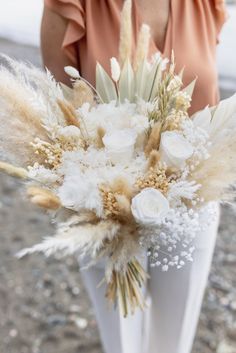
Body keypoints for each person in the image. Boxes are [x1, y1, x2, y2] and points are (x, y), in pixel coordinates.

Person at [41, 1, 227, 352]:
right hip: (106, 206)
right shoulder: (72, 4)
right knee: (122, 342)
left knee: (176, 340)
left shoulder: (206, 5)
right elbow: (61, 107)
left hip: (193, 201)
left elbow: (203, 98)